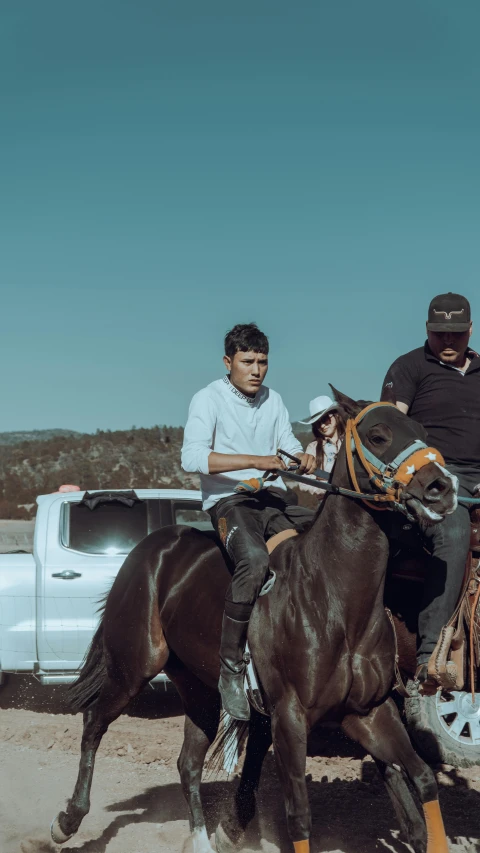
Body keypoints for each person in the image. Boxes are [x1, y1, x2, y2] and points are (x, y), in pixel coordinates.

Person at [181, 323, 316, 719]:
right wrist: (255, 460)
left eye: (263, 362)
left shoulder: (273, 400)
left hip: (270, 499)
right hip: (229, 501)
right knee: (255, 562)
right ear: (228, 362)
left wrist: (301, 455)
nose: (257, 370)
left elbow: (287, 446)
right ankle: (230, 671)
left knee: (312, 546)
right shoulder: (207, 399)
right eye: (248, 362)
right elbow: (191, 458)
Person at [381, 292, 480, 688]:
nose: (449, 342)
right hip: (432, 479)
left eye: (456, 334)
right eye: (441, 334)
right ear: (427, 330)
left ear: (470, 330)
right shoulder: (408, 368)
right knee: (453, 531)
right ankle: (430, 656)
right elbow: (389, 430)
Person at [296, 395, 346, 499]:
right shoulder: (313, 448)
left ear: (336, 416)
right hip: (327, 503)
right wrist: (326, 488)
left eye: (325, 419)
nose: (322, 426)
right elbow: (304, 482)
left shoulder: (351, 441)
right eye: (317, 423)